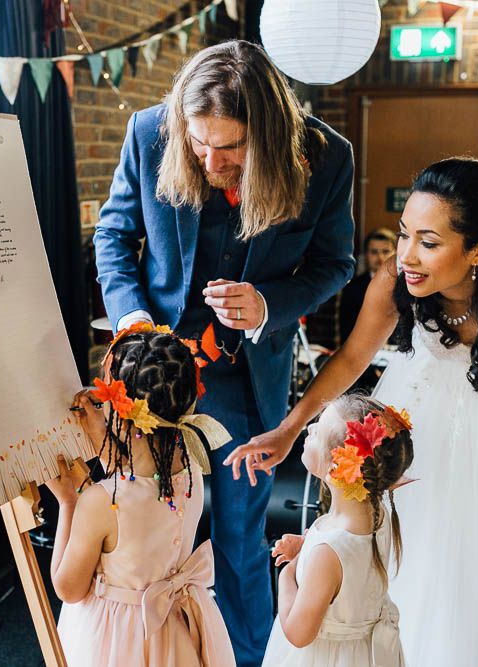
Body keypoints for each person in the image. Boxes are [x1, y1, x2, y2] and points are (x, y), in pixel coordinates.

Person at [93, 40, 355, 666]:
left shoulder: (326, 158)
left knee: (239, 539)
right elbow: (113, 234)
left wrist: (269, 304)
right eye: (198, 142)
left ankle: (246, 659)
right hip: (150, 373)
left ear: (266, 134)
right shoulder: (150, 131)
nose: (211, 160)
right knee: (142, 528)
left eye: (231, 147)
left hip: (244, 377)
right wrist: (132, 320)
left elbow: (334, 263)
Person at [224, 157, 478, 666]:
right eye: (404, 235)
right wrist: (289, 430)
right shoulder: (396, 282)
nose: (408, 256)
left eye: (430, 242)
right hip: (422, 432)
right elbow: (351, 358)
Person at [46, 328, 235, 667]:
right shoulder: (187, 468)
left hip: (117, 639)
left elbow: (68, 588)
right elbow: (143, 490)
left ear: (120, 410)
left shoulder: (98, 502)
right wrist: (103, 439)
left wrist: (69, 503)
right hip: (172, 633)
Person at [263, 395, 413, 667]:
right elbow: (353, 564)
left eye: (317, 430)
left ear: (336, 467)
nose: (309, 429)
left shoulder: (327, 553)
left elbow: (298, 633)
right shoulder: (377, 514)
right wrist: (306, 545)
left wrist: (288, 574)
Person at [339, 228, 397, 344]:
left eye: (385, 251)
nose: (380, 257)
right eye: (374, 252)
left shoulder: (408, 287)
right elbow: (347, 331)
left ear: (395, 253)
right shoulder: (352, 288)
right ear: (366, 255)